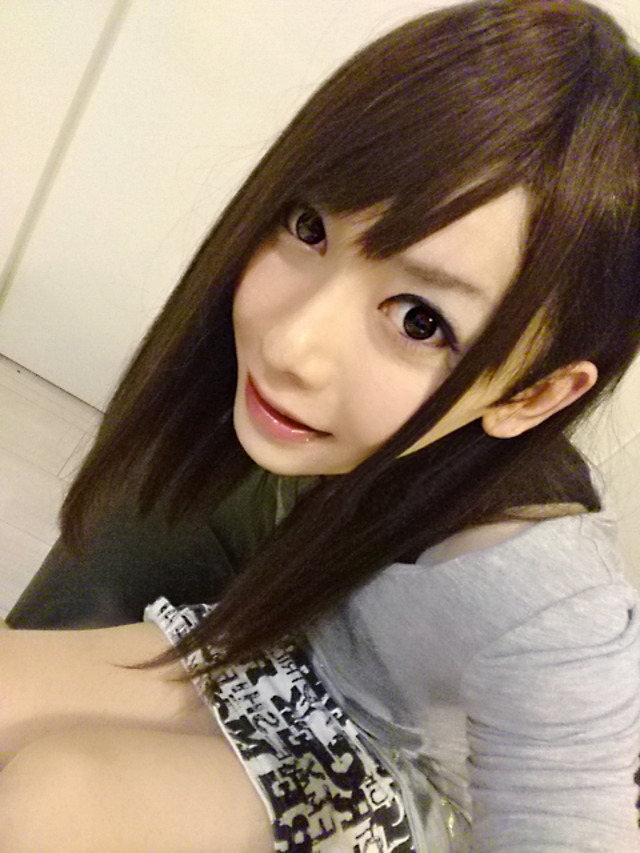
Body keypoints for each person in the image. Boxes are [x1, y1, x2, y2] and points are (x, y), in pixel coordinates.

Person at [2, 0, 640, 849]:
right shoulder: (329, 430)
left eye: (419, 319)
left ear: (537, 393)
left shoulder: (548, 603)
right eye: (309, 227)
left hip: (391, 781)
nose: (292, 343)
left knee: (54, 798)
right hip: (275, 660)